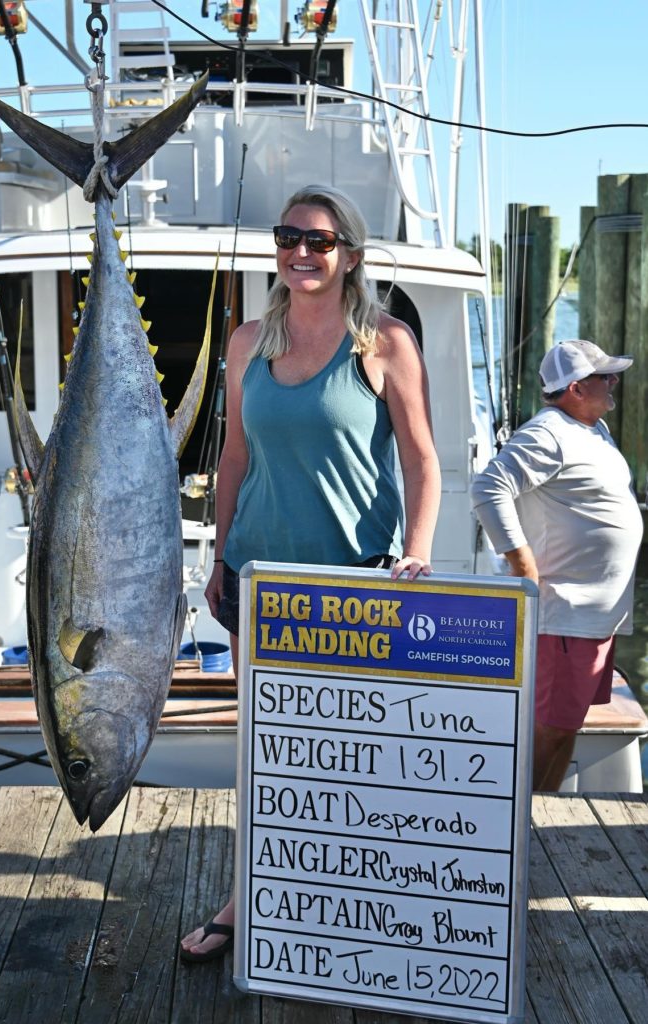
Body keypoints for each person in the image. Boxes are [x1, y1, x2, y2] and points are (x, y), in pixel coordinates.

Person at [179, 184, 441, 962]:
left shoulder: (385, 341)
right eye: (288, 237)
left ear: (349, 255)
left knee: (352, 752)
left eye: (319, 241)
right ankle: (246, 899)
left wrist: (416, 550)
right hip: (260, 581)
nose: (300, 251)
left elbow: (422, 459)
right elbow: (233, 457)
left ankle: (354, 904)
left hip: (354, 582)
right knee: (268, 753)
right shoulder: (245, 342)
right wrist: (219, 558)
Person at [471, 339, 643, 792]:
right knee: (550, 728)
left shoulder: (591, 429)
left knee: (567, 726)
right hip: (563, 614)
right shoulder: (547, 431)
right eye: (603, 376)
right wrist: (522, 562)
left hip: (593, 619)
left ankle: (544, 809)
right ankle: (523, 822)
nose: (614, 383)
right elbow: (488, 486)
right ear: (574, 389)